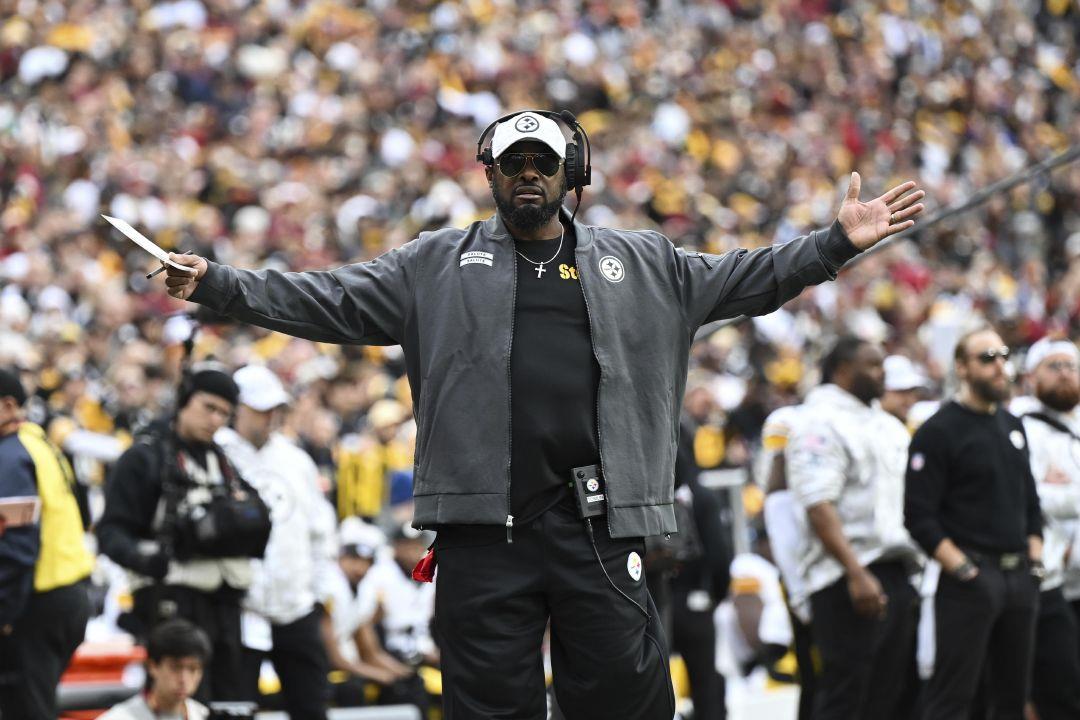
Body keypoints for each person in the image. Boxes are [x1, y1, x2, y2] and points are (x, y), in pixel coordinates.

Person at [162, 109, 924, 717]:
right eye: (513, 163)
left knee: (624, 701)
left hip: (599, 526)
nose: (529, 173)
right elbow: (323, 298)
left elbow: (748, 277)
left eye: (543, 162)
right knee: (489, 705)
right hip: (482, 531)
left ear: (572, 175)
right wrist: (218, 285)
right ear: (490, 175)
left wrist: (832, 245)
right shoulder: (433, 263)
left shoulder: (647, 263)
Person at [96, 367, 270, 702]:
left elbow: (258, 518)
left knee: (228, 701)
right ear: (184, 401)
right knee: (182, 701)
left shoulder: (224, 463)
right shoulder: (145, 458)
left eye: (225, 413)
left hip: (226, 600)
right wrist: (148, 560)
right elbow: (111, 532)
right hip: (171, 599)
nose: (216, 420)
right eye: (209, 407)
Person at [905, 327, 1044, 719]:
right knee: (953, 696)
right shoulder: (938, 430)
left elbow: (1030, 501)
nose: (1000, 366)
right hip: (969, 579)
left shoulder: (1012, 425)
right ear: (962, 367)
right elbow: (918, 515)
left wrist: (1034, 561)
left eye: (1003, 355)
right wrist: (964, 568)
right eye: (987, 358)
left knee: (1012, 697)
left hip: (1019, 577)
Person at [785, 337, 921, 720]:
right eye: (873, 365)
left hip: (894, 569)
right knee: (847, 695)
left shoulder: (884, 424)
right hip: (845, 577)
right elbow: (818, 504)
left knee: (889, 695)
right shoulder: (818, 421)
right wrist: (855, 571)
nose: (883, 373)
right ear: (843, 370)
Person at [215, 365, 338, 720]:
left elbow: (321, 531)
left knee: (311, 707)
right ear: (237, 408)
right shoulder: (217, 454)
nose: (269, 417)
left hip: (296, 607)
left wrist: (316, 595)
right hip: (240, 609)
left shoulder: (295, 459)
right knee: (235, 710)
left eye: (274, 409)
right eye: (260, 409)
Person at [0, 367, 95, 720]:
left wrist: (3, 613)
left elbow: (16, 546)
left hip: (36, 603)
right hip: (69, 596)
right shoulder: (40, 443)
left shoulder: (9, 456)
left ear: (8, 406)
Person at [1013, 337, 1080, 720]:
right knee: (1054, 686)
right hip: (1046, 579)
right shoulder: (1023, 427)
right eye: (1053, 366)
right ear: (1031, 376)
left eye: (1070, 366)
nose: (1065, 374)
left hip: (1074, 581)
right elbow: (1029, 499)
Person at [321, 518, 416, 708]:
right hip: (316, 667)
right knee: (353, 689)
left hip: (342, 665)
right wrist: (379, 675)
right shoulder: (328, 588)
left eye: (366, 561)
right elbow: (333, 657)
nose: (359, 568)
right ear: (340, 557)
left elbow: (371, 651)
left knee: (410, 685)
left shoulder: (361, 592)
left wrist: (404, 674)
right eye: (353, 559)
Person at [760, 402, 816, 720]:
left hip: (803, 589)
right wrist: (802, 600)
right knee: (816, 677)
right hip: (805, 591)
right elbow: (789, 552)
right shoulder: (782, 496)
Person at [98, 618, 213, 720]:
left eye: (193, 669)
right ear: (152, 666)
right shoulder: (118, 717)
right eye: (175, 668)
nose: (184, 679)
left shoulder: (202, 715)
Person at [880, 354, 929, 426]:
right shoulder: (866, 426)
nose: (909, 400)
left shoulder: (916, 425)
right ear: (882, 391)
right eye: (902, 392)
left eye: (912, 391)